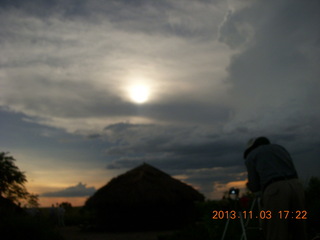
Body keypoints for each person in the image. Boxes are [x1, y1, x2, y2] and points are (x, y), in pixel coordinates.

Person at [243, 136, 307, 240]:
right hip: (296, 186)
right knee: (299, 229)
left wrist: (250, 186)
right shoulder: (280, 148)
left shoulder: (252, 155)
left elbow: (254, 185)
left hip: (275, 190)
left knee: (276, 230)